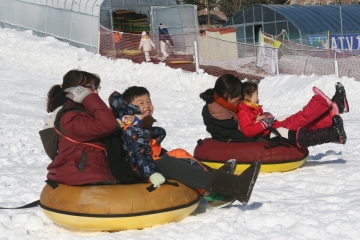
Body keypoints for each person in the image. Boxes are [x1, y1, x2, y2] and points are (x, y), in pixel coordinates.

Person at [108, 86, 261, 206]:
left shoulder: (138, 124)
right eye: (140, 103)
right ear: (130, 108)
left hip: (150, 161)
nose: (147, 106)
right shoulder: (132, 127)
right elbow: (138, 153)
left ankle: (217, 176)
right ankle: (231, 187)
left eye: (149, 101)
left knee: (179, 153)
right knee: (171, 163)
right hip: (143, 168)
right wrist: (151, 173)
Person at [44, 70, 119, 185]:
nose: (96, 92)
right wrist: (87, 98)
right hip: (82, 176)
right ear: (76, 90)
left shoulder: (86, 112)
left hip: (93, 174)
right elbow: (108, 124)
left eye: (97, 87)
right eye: (91, 87)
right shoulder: (69, 117)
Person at [237, 81, 348, 147]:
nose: (258, 97)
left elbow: (260, 118)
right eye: (256, 94)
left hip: (271, 128)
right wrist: (264, 123)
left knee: (294, 118)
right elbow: (248, 131)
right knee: (299, 120)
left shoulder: (251, 107)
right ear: (247, 96)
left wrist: (266, 117)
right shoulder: (244, 111)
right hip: (267, 134)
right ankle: (321, 103)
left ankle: (331, 113)